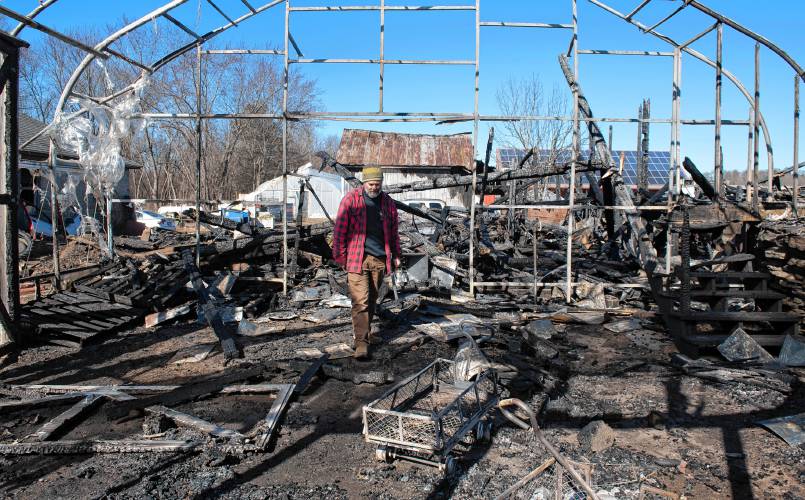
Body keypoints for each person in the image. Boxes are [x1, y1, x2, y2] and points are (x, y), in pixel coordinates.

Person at [332, 166, 401, 359]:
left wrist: (396, 254)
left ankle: (366, 333)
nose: (374, 187)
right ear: (364, 182)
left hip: (379, 258)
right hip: (356, 258)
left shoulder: (387, 203)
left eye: (378, 184)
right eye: (371, 184)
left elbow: (394, 231)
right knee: (360, 301)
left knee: (371, 299)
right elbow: (339, 231)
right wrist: (340, 256)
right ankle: (361, 343)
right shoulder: (351, 200)